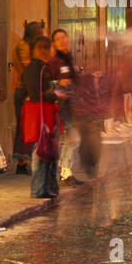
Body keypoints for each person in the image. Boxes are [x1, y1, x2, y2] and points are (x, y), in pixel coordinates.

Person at [22, 35, 60, 199]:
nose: (47, 51)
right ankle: (39, 189)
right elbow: (41, 93)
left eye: (48, 47)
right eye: (44, 48)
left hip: (38, 113)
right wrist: (56, 93)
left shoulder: (32, 69)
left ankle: (45, 187)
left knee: (44, 149)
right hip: (43, 113)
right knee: (42, 150)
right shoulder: (41, 69)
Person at [11, 21, 42, 175]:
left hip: (27, 90)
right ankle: (22, 162)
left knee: (27, 127)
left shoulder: (24, 46)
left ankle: (25, 160)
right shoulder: (23, 47)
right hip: (25, 91)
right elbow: (28, 69)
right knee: (24, 127)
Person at [50, 28, 79, 184]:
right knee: (69, 137)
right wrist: (58, 84)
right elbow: (47, 82)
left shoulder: (70, 59)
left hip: (72, 103)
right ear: (54, 43)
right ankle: (65, 171)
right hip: (61, 105)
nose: (62, 41)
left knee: (72, 137)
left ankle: (66, 170)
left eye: (64, 37)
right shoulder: (54, 62)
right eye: (58, 39)